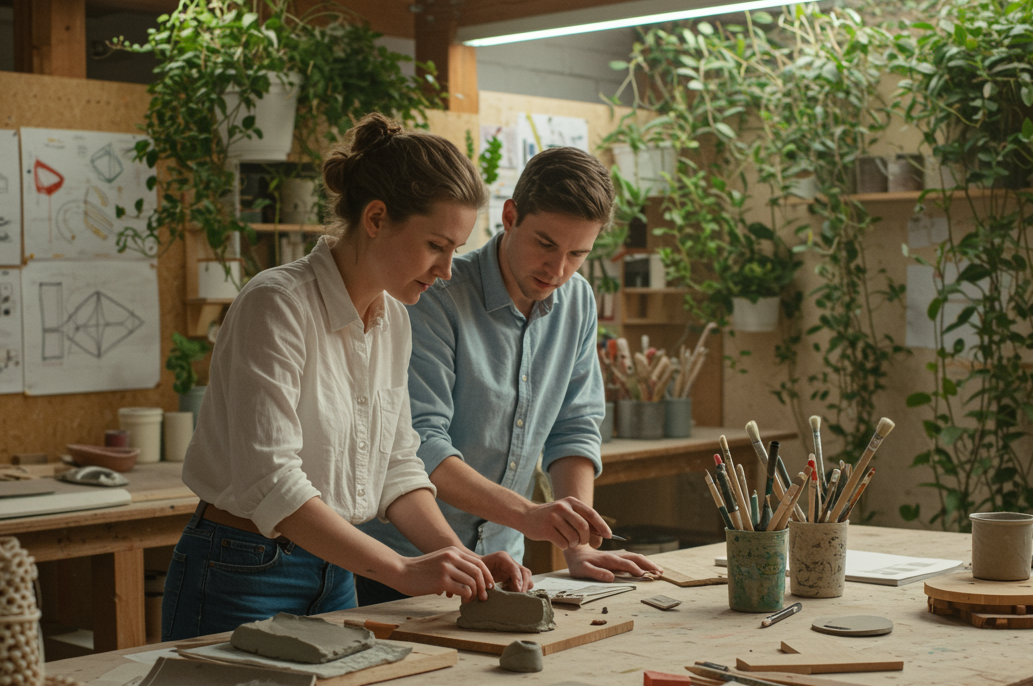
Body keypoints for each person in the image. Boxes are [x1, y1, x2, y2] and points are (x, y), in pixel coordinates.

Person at [162, 113, 532, 642]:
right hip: (240, 571)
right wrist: (402, 570)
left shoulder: (394, 319)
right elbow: (271, 482)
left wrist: (456, 556)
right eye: (436, 245)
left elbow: (398, 466)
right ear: (377, 218)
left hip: (336, 569)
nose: (448, 269)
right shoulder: (278, 304)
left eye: (455, 250)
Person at [357, 146, 660, 606]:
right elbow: (421, 442)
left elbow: (574, 427)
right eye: (545, 244)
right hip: (404, 566)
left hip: (503, 567)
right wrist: (530, 514)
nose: (557, 270)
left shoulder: (576, 301)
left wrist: (576, 545)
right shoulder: (433, 294)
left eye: (577, 253)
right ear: (511, 216)